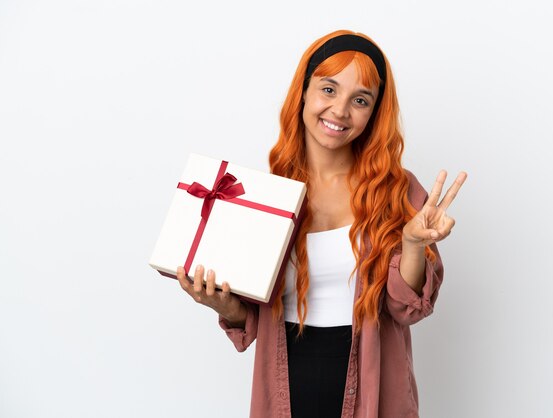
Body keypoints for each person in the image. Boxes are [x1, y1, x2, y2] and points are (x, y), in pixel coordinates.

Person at [176, 29, 467, 418]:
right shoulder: (267, 196)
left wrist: (414, 245)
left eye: (360, 100)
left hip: (372, 387)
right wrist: (224, 305)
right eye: (328, 90)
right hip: (287, 382)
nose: (340, 111)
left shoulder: (397, 192)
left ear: (374, 113)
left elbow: (406, 309)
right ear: (303, 91)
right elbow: (252, 319)